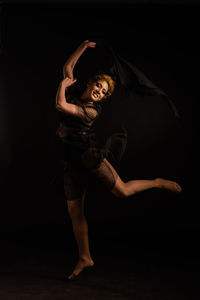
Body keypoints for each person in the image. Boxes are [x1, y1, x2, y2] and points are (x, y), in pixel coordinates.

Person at [55, 40, 182, 280]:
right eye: (98, 86)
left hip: (88, 156)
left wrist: (61, 85)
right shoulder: (75, 90)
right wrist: (83, 46)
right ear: (91, 82)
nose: (99, 92)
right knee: (75, 211)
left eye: (104, 92)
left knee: (122, 191)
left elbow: (60, 104)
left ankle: (157, 181)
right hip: (70, 162)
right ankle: (85, 257)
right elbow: (68, 68)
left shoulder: (91, 110)